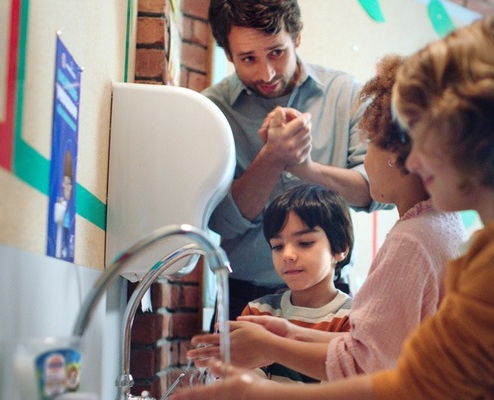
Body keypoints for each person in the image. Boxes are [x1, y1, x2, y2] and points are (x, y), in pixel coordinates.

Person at [171, 9, 494, 399]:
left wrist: (254, 392)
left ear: (477, 135)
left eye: (421, 132)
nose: (413, 155)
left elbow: (408, 387)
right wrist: (287, 338)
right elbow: (414, 364)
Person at [187, 55, 466, 381]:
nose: (365, 157)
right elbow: (380, 347)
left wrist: (274, 349)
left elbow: (366, 364)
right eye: (277, 245)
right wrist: (288, 335)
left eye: (372, 141)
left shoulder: (413, 240)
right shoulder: (442, 223)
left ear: (400, 155)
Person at [205, 0, 385, 320]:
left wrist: (307, 169)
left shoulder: (346, 93)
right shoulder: (212, 111)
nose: (267, 73)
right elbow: (221, 222)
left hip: (330, 295)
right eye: (248, 59)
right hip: (243, 295)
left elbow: (377, 193)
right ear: (228, 55)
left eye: (277, 52)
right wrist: (272, 158)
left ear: (296, 36)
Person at [242, 183, 354, 383]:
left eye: (305, 243)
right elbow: (245, 383)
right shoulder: (258, 312)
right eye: (277, 246)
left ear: (340, 248)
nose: (287, 255)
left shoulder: (353, 319)